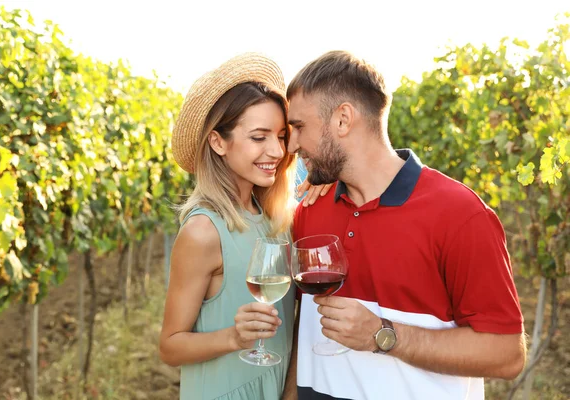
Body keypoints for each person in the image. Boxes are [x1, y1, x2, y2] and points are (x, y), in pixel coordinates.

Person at [285, 50, 526, 400]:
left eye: (299, 127)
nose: (291, 145)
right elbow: (303, 321)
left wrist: (383, 335)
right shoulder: (311, 207)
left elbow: (506, 355)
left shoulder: (460, 215)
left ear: (342, 119)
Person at [159, 53, 322, 400]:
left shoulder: (276, 221)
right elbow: (170, 347)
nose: (277, 151)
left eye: (280, 136)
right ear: (218, 142)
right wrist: (233, 338)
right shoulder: (203, 231)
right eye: (258, 137)